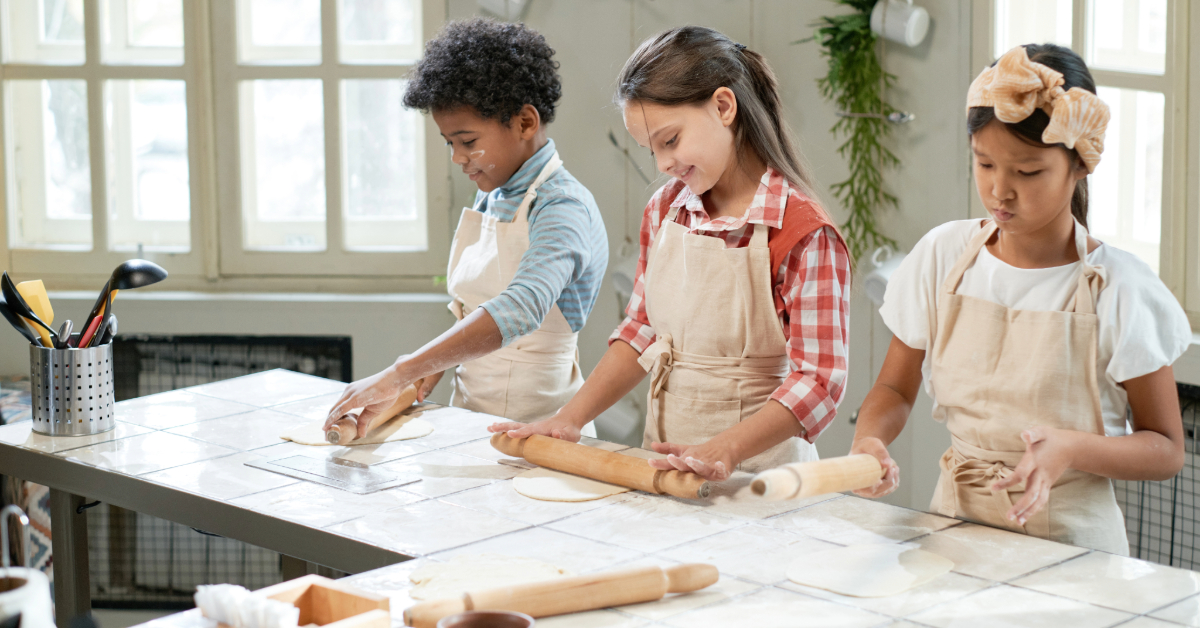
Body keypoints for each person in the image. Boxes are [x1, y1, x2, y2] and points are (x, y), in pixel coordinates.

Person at [850, 44, 1189, 555]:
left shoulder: (1118, 287)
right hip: (954, 531)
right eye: (985, 164)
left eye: (1028, 173)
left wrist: (1073, 447)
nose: (999, 191)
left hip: (1075, 548)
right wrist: (869, 443)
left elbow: (1165, 449)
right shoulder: (944, 256)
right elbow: (894, 391)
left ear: (1080, 165)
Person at [489, 26, 852, 481]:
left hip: (761, 477)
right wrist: (570, 418)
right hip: (665, 468)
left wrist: (726, 448)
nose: (662, 165)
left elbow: (819, 383)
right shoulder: (665, 210)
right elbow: (641, 331)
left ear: (723, 107)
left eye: (671, 140)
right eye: (650, 150)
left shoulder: (801, 231)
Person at [325, 19, 608, 436]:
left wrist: (402, 371)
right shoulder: (493, 195)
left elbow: (521, 306)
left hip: (543, 430)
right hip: (473, 418)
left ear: (526, 123)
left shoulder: (561, 206)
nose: (458, 158)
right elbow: (479, 306)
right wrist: (435, 366)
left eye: (468, 141)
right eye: (449, 143)